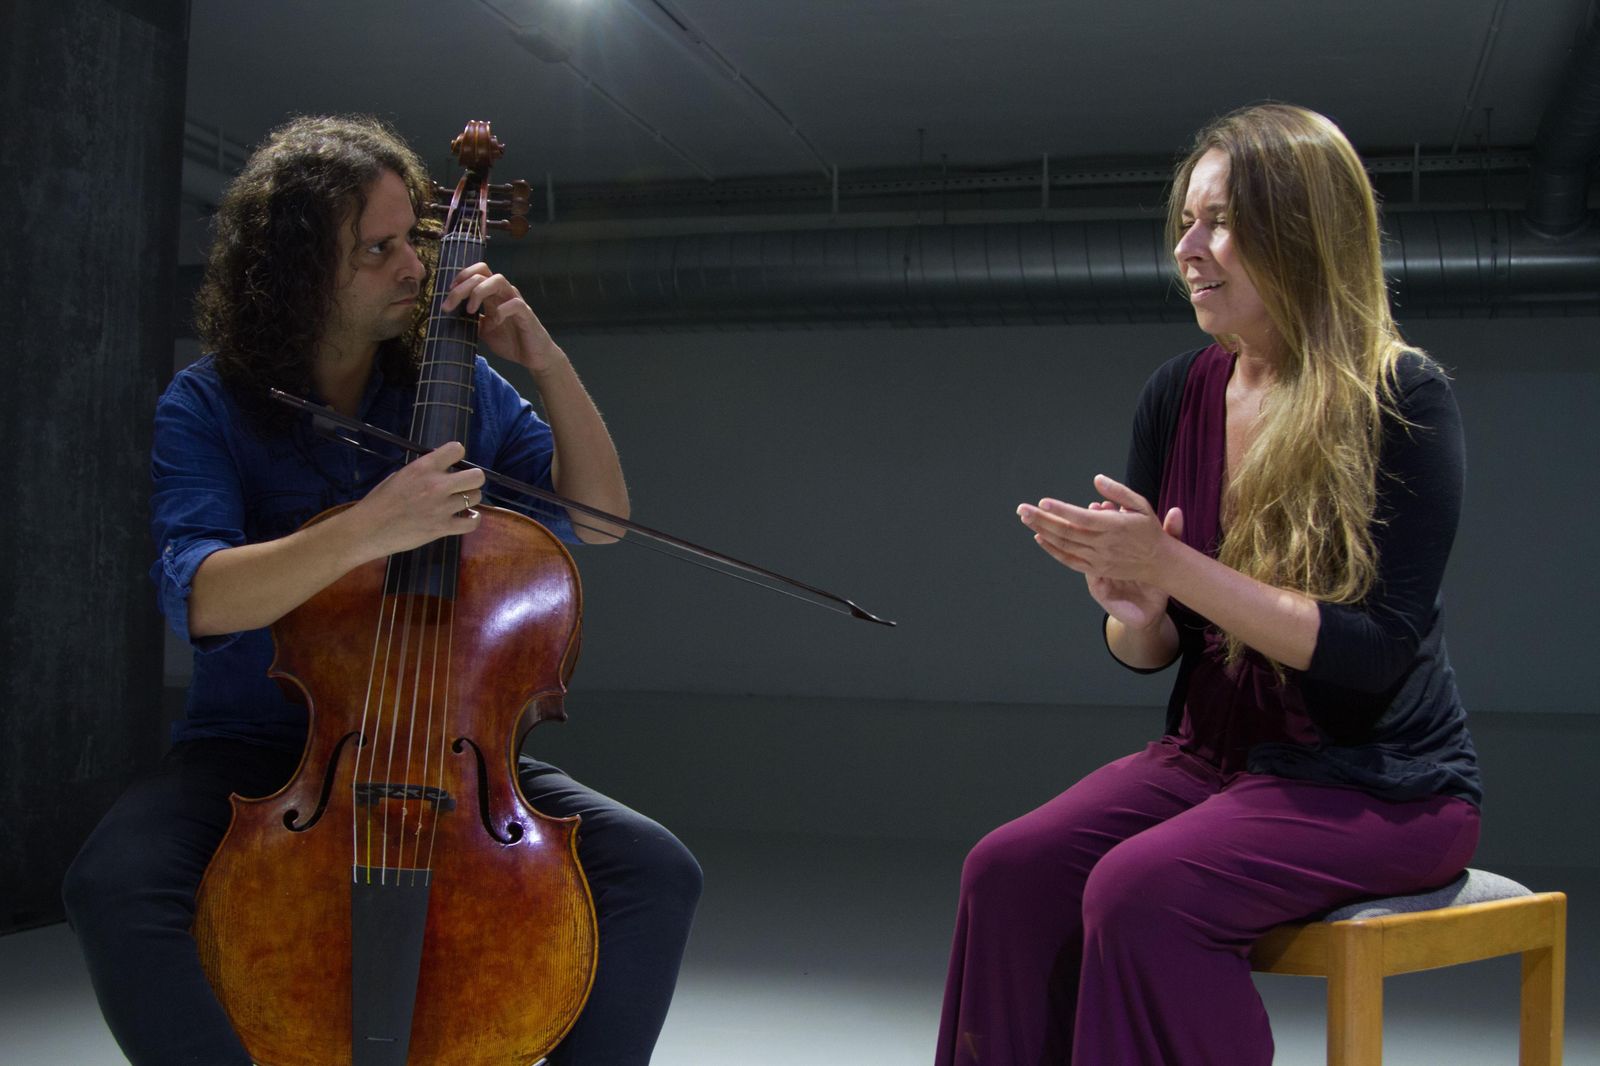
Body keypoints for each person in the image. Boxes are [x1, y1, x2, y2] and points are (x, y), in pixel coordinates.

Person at [62, 115, 702, 1066]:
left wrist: (547, 363)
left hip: (450, 743)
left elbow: (600, 519)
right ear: (295, 275)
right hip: (260, 751)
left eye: (415, 239)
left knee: (654, 871)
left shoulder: (461, 387)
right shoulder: (207, 405)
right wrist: (374, 524)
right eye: (378, 250)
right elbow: (202, 596)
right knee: (111, 883)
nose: (417, 267)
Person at [934, 103, 1482, 1065]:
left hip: (1381, 786)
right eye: (1186, 221)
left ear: (1305, 232)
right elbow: (1153, 652)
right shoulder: (1177, 392)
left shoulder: (1404, 399)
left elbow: (1375, 652)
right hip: (1212, 757)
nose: (1189, 247)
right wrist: (1136, 612)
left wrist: (1173, 565)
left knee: (1140, 892)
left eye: (1220, 220)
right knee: (1006, 873)